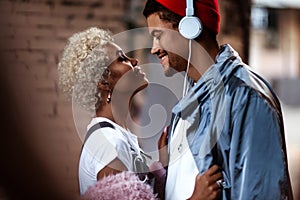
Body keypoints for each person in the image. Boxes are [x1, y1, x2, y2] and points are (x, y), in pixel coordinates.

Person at [143, 0, 294, 199]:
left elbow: (261, 192)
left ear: (190, 28)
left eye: (158, 36)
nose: (154, 49)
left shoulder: (245, 97)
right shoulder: (191, 97)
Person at [57, 27, 151, 195]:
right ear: (104, 82)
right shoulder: (109, 142)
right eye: (122, 58)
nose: (134, 61)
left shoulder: (114, 135)